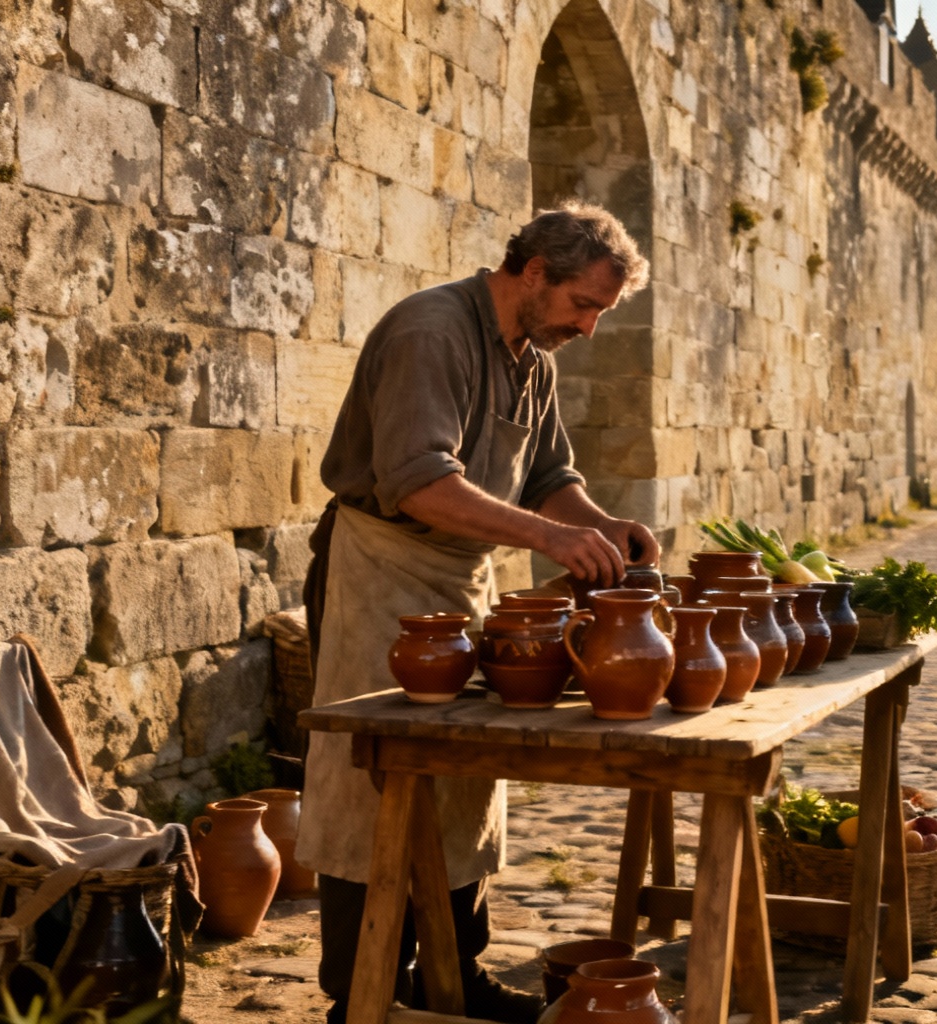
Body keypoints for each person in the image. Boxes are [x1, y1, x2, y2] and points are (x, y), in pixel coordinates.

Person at [295, 201, 655, 1023]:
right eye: (584, 305)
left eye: (601, 310)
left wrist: (600, 526)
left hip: (462, 577)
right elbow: (419, 481)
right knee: (374, 788)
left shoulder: (535, 354)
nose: (590, 327)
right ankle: (363, 992)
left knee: (463, 782)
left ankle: (452, 976)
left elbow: (546, 480)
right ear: (534, 273)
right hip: (381, 573)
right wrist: (546, 540)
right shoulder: (432, 332)